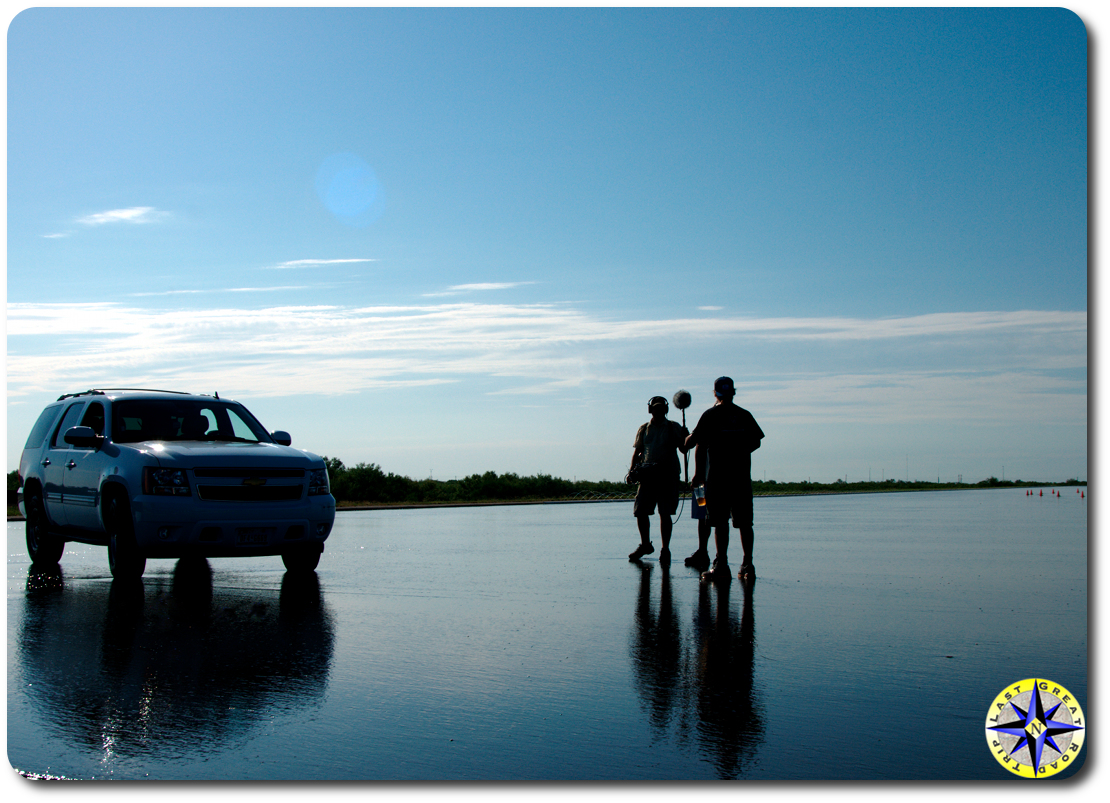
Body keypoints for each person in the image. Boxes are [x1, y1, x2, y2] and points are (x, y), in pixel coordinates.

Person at [684, 377, 764, 582]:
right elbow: (757, 441)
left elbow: (690, 443)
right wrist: (739, 451)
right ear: (733, 393)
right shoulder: (744, 415)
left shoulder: (711, 415)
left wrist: (687, 437)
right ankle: (748, 564)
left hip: (718, 479)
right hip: (741, 478)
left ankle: (721, 564)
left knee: (720, 522)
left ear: (714, 393)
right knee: (745, 523)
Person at [628, 396, 689, 563]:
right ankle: (645, 544)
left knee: (665, 513)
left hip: (668, 476)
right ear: (650, 410)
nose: (658, 411)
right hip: (647, 476)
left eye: (661, 408)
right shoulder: (643, 429)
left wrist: (686, 437)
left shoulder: (674, 427)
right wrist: (632, 471)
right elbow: (638, 452)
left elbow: (684, 449)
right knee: (640, 511)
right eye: (655, 408)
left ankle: (665, 549)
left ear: (666, 410)